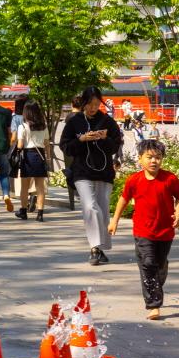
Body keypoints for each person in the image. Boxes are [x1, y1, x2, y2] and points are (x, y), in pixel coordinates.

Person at [108, 139, 179, 320]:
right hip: (143, 232)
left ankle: (160, 272)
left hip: (165, 232)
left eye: (158, 157)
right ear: (140, 159)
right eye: (149, 157)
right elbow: (123, 199)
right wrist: (114, 221)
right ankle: (153, 305)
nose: (154, 161)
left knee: (159, 265)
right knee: (148, 264)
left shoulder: (169, 179)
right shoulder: (134, 180)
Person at [59, 86, 124, 266]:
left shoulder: (107, 121)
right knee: (90, 206)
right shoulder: (74, 121)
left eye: (96, 104)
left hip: (104, 171)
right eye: (89, 104)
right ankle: (95, 247)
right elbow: (64, 146)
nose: (93, 108)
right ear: (83, 103)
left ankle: (100, 248)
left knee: (102, 211)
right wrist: (81, 140)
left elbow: (116, 145)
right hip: (81, 171)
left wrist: (104, 138)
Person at [14, 100, 49, 221]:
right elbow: (46, 144)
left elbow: (19, 145)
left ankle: (23, 211)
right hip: (40, 156)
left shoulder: (22, 126)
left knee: (25, 187)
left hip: (28, 156)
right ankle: (40, 213)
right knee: (40, 188)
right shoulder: (43, 126)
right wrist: (47, 159)